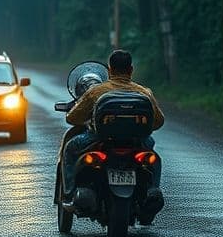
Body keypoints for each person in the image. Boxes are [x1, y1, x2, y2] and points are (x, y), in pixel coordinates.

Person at [61, 49, 165, 197]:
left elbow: (73, 119)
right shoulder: (144, 92)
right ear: (131, 69)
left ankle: (69, 192)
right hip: (137, 141)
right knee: (154, 158)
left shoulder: (96, 91)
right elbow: (158, 121)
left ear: (109, 70)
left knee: (70, 148)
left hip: (99, 139)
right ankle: (152, 190)